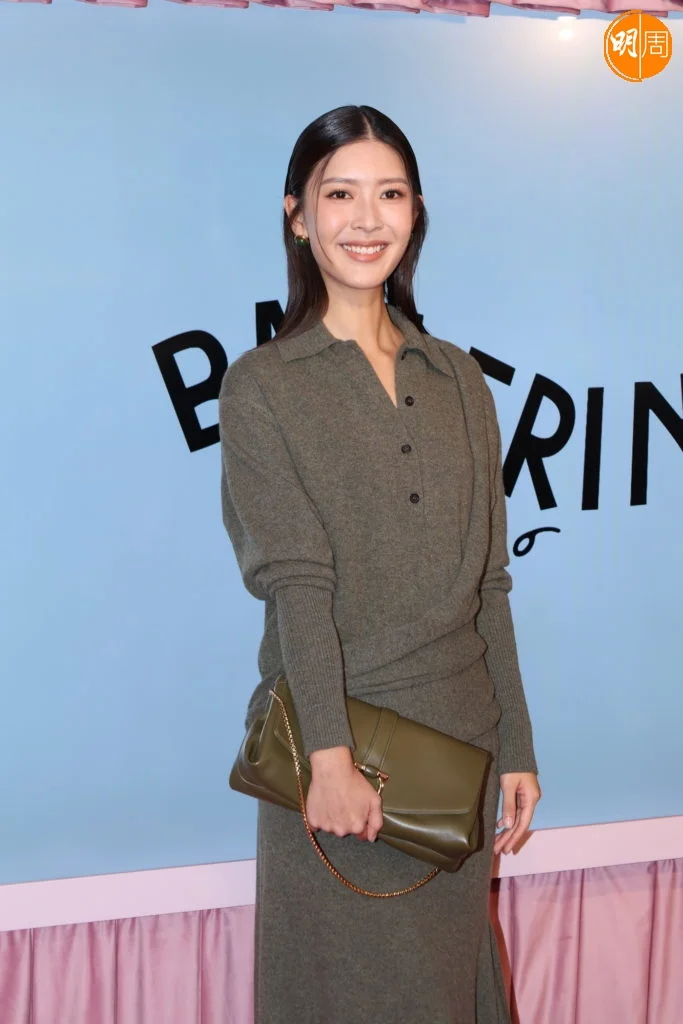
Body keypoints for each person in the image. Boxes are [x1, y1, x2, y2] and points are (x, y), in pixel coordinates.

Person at [219, 104, 541, 1024]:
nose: (367, 220)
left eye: (389, 194)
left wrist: (515, 744)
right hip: (339, 755)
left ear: (416, 212)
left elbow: (488, 582)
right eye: (339, 195)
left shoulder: (458, 379)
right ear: (297, 216)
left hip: (458, 759)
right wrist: (328, 758)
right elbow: (296, 584)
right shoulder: (262, 386)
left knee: (448, 993)